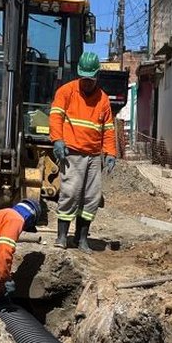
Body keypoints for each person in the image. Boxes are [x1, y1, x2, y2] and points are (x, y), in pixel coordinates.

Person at [49, 51, 117, 252]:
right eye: (83, 78)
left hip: (94, 155)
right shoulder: (66, 92)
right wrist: (58, 140)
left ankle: (81, 239)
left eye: (90, 79)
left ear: (97, 76)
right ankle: (62, 237)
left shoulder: (102, 99)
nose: (86, 83)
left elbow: (108, 129)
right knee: (70, 193)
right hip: (73, 153)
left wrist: (110, 153)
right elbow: (55, 117)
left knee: (91, 197)